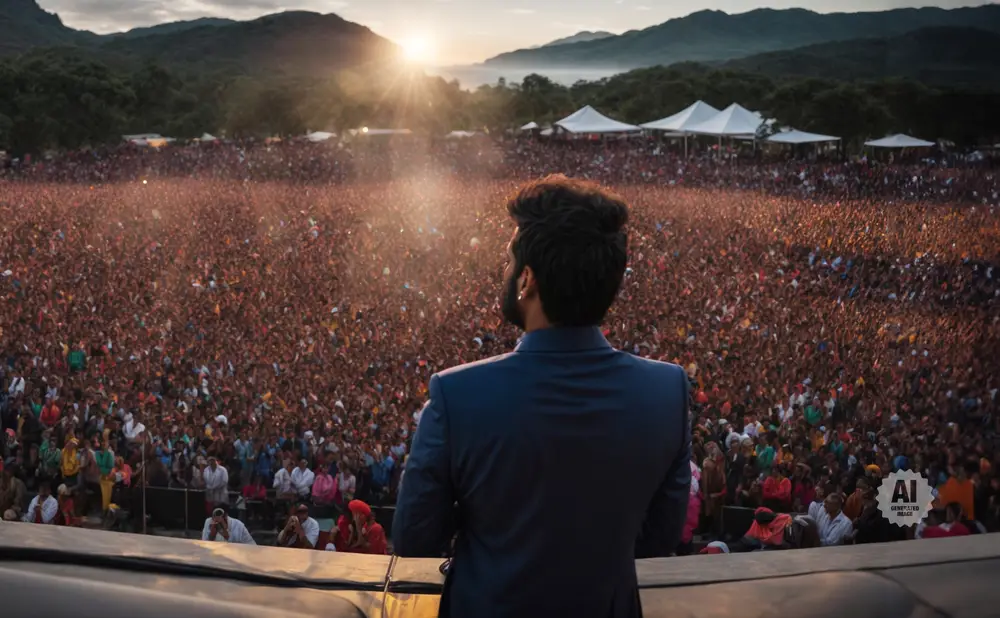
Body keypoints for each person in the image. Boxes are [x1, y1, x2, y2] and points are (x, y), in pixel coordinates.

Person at [393, 176, 692, 618]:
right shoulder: (667, 390)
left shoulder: (456, 394)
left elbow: (414, 538)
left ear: (527, 279)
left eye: (510, 259)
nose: (505, 269)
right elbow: (660, 537)